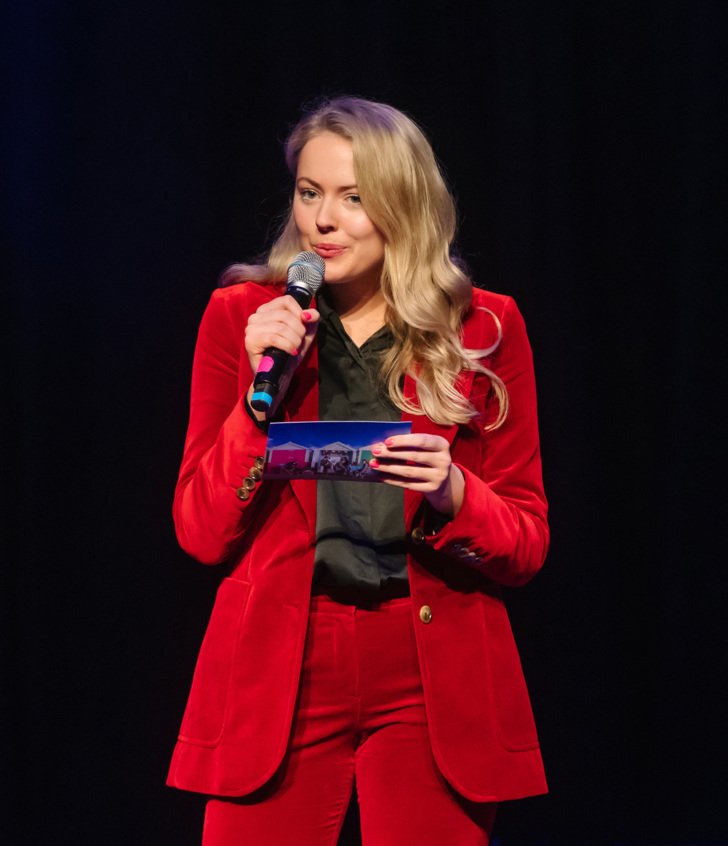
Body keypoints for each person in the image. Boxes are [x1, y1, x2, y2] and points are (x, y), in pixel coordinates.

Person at [167, 96, 549, 845]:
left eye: (353, 197)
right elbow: (201, 532)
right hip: (283, 665)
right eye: (309, 193)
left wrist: (455, 492)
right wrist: (258, 399)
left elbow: (528, 543)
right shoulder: (243, 317)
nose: (322, 221)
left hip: (428, 668)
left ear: (403, 205)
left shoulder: (483, 327)